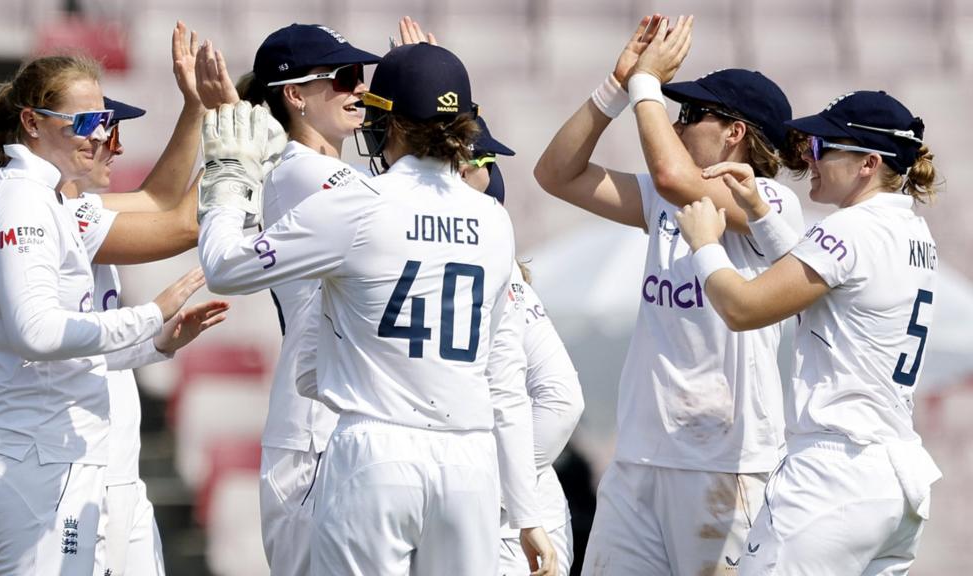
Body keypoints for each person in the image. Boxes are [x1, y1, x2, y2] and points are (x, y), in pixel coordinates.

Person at [196, 42, 556, 575]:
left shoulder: (359, 203)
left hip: (376, 451)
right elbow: (502, 379)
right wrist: (528, 514)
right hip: (471, 465)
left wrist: (228, 173)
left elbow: (225, 266)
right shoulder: (493, 219)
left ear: (392, 123)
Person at [534, 15, 805, 575]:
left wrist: (647, 87)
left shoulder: (772, 202)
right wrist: (614, 87)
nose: (676, 124)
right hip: (638, 458)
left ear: (735, 133)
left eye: (691, 115)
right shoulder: (665, 198)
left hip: (728, 464)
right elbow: (556, 174)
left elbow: (674, 177)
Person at [0, 54, 204, 575]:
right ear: (32, 122)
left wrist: (154, 342)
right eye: (91, 123)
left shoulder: (51, 199)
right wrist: (149, 316)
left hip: (59, 456)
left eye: (108, 123)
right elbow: (37, 333)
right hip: (38, 458)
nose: (107, 140)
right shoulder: (27, 202)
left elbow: (160, 203)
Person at [675, 90, 942, 575]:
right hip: (896, 478)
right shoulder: (913, 232)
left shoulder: (852, 229)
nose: (806, 157)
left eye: (821, 148)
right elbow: (822, 279)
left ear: (867, 163)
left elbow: (743, 308)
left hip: (833, 474)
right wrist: (758, 208)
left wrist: (705, 246)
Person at [195, 22, 379, 576]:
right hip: (311, 437)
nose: (360, 90)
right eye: (344, 77)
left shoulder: (322, 171)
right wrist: (428, 120)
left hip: (338, 428)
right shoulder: (305, 174)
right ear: (296, 95)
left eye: (362, 76)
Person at [463, 115, 585, 576]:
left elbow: (561, 400)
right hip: (516, 511)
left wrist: (492, 490)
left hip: (508, 523)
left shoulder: (500, 271)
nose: (491, 177)